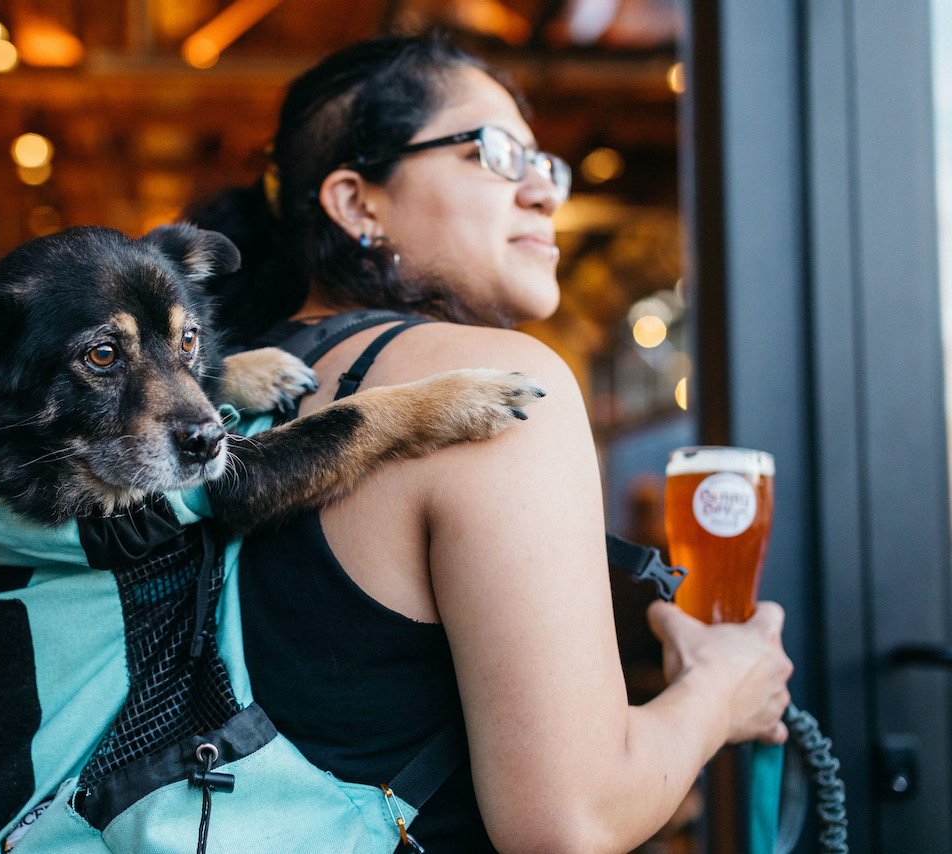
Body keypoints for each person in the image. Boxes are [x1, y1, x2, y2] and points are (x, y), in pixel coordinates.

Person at [189, 33, 793, 853]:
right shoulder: (489, 386)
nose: (544, 190)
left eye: (547, 164)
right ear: (355, 201)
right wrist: (724, 690)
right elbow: (569, 824)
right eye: (500, 153)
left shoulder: (232, 389)